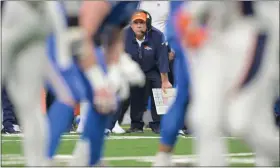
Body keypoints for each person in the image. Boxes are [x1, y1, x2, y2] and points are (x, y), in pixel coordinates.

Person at [178, 1, 279, 166]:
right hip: (215, 41)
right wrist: (194, 34)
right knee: (203, 118)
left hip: (253, 37)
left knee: (242, 122)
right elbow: (186, 17)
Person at [124, 10, 172, 134]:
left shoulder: (157, 35)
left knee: (159, 87)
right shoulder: (124, 35)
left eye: (142, 22)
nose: (139, 25)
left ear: (148, 24)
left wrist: (165, 81)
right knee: (135, 91)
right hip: (133, 70)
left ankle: (158, 124)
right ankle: (136, 124)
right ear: (131, 24)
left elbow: (162, 59)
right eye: (136, 23)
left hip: (152, 69)